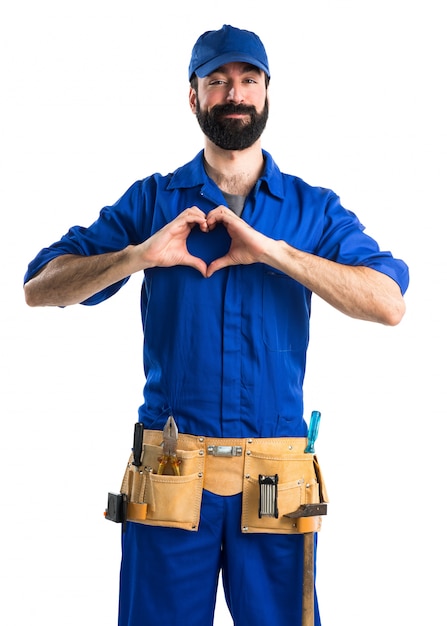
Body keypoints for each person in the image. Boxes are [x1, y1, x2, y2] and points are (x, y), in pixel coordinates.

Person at [24, 24, 409, 626]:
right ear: (194, 96)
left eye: (248, 80)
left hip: (275, 480)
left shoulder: (313, 209)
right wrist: (137, 257)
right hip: (171, 473)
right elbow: (38, 288)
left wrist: (276, 252)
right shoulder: (153, 201)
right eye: (218, 81)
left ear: (267, 93)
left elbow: (388, 303)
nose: (235, 93)